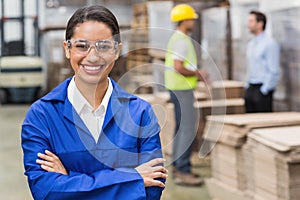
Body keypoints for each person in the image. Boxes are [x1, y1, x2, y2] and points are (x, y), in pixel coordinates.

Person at [21, 5, 167, 200]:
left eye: (104, 46)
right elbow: (46, 192)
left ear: (116, 51)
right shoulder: (42, 116)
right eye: (82, 46)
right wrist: (133, 179)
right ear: (67, 49)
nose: (92, 57)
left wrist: (70, 180)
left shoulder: (140, 113)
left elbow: (152, 189)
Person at [164, 4, 207, 186]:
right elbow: (178, 66)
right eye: (192, 19)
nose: (194, 22)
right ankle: (183, 170)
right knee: (188, 130)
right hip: (182, 90)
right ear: (185, 20)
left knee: (181, 128)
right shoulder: (182, 40)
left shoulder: (176, 38)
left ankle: (177, 166)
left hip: (175, 88)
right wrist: (198, 74)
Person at [245, 11, 280, 113]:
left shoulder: (270, 44)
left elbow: (274, 70)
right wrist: (247, 87)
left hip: (261, 90)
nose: (248, 25)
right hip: (251, 89)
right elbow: (250, 67)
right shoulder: (251, 44)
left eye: (251, 21)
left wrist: (264, 90)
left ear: (260, 24)